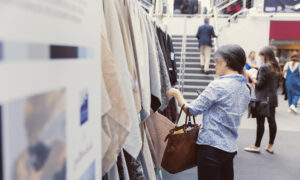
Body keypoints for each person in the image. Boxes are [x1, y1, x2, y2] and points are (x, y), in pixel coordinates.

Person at [167, 45, 250, 180]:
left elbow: (191, 110)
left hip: (211, 147)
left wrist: (176, 94)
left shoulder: (218, 85)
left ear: (227, 61)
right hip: (230, 147)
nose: (214, 64)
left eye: (217, 60)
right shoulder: (246, 89)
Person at [244, 47, 281, 154]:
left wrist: (251, 77)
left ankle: (256, 146)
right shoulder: (276, 67)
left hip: (263, 98)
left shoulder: (264, 67)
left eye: (260, 56)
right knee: (272, 121)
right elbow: (277, 84)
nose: (260, 58)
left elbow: (259, 84)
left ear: (264, 56)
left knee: (260, 123)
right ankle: (270, 145)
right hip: (273, 98)